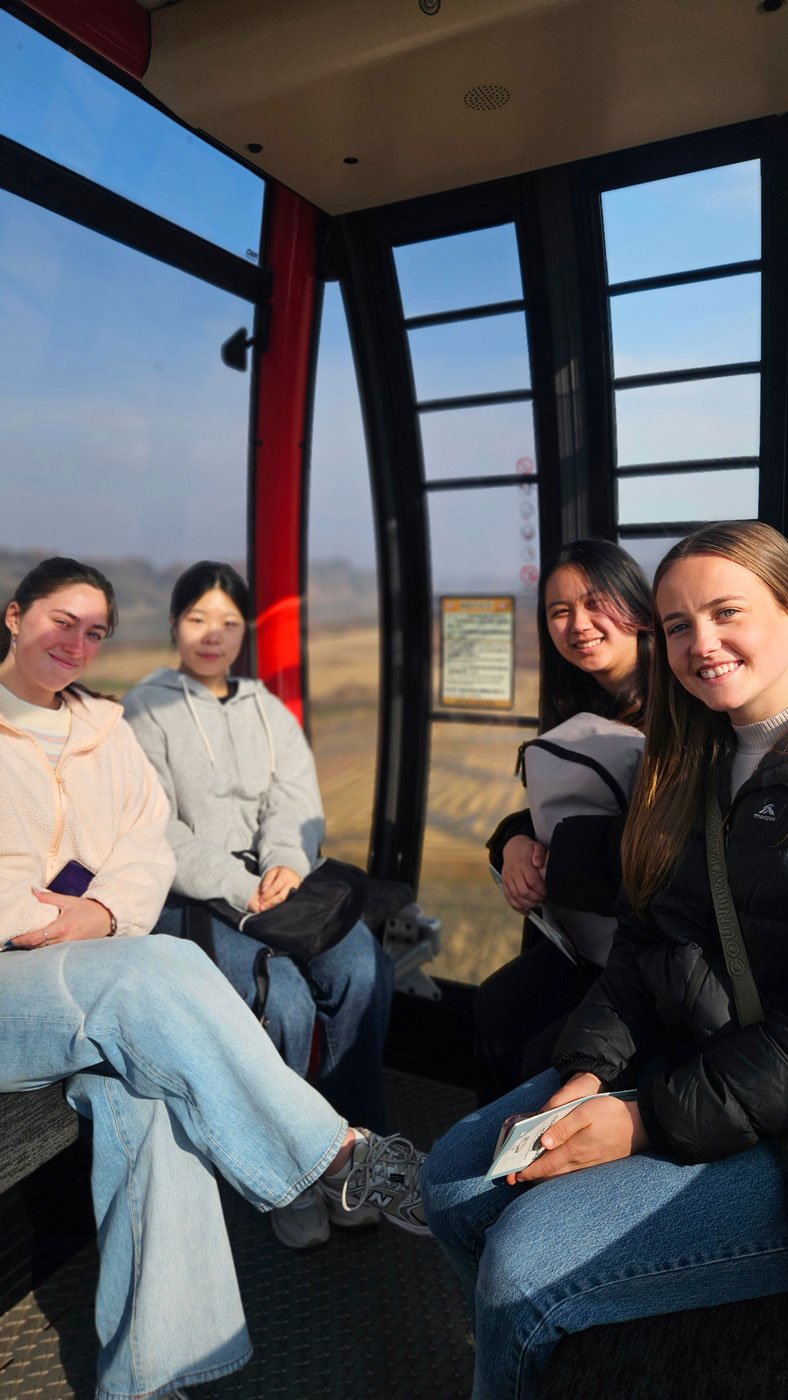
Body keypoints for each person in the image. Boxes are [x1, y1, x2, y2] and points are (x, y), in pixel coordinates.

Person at [0, 556, 428, 1400]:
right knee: (167, 963)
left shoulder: (103, 729)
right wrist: (50, 921)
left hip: (91, 957)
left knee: (150, 1104)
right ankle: (334, 1156)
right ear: (13, 615)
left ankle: (154, 1378)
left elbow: (142, 846)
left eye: (94, 631)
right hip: (21, 968)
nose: (77, 642)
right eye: (60, 620)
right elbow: (172, 859)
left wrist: (103, 914)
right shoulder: (147, 714)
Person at [423, 519, 788, 1399]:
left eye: (727, 612)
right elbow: (643, 940)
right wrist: (588, 1070)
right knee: (452, 1180)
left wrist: (644, 1123)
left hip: (758, 1109)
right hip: (697, 1059)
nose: (702, 644)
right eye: (677, 627)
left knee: (520, 1266)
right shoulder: (690, 759)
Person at [122, 561, 394, 1249]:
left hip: (284, 886)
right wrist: (242, 886)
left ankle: (353, 1153)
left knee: (364, 971)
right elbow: (157, 827)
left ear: (244, 631)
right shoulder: (145, 708)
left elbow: (295, 801)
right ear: (175, 625)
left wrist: (284, 864)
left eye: (229, 622)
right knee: (286, 1005)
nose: (213, 636)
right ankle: (288, 1172)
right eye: (197, 619)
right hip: (199, 894)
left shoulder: (267, 709)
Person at [478, 540, 653, 1101]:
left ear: (638, 607)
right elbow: (559, 810)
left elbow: (663, 837)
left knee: (540, 1055)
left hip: (649, 945)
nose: (579, 624)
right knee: (495, 1008)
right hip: (587, 933)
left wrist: (553, 861)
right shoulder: (582, 703)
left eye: (596, 602)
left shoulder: (680, 700)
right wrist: (514, 841)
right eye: (560, 611)